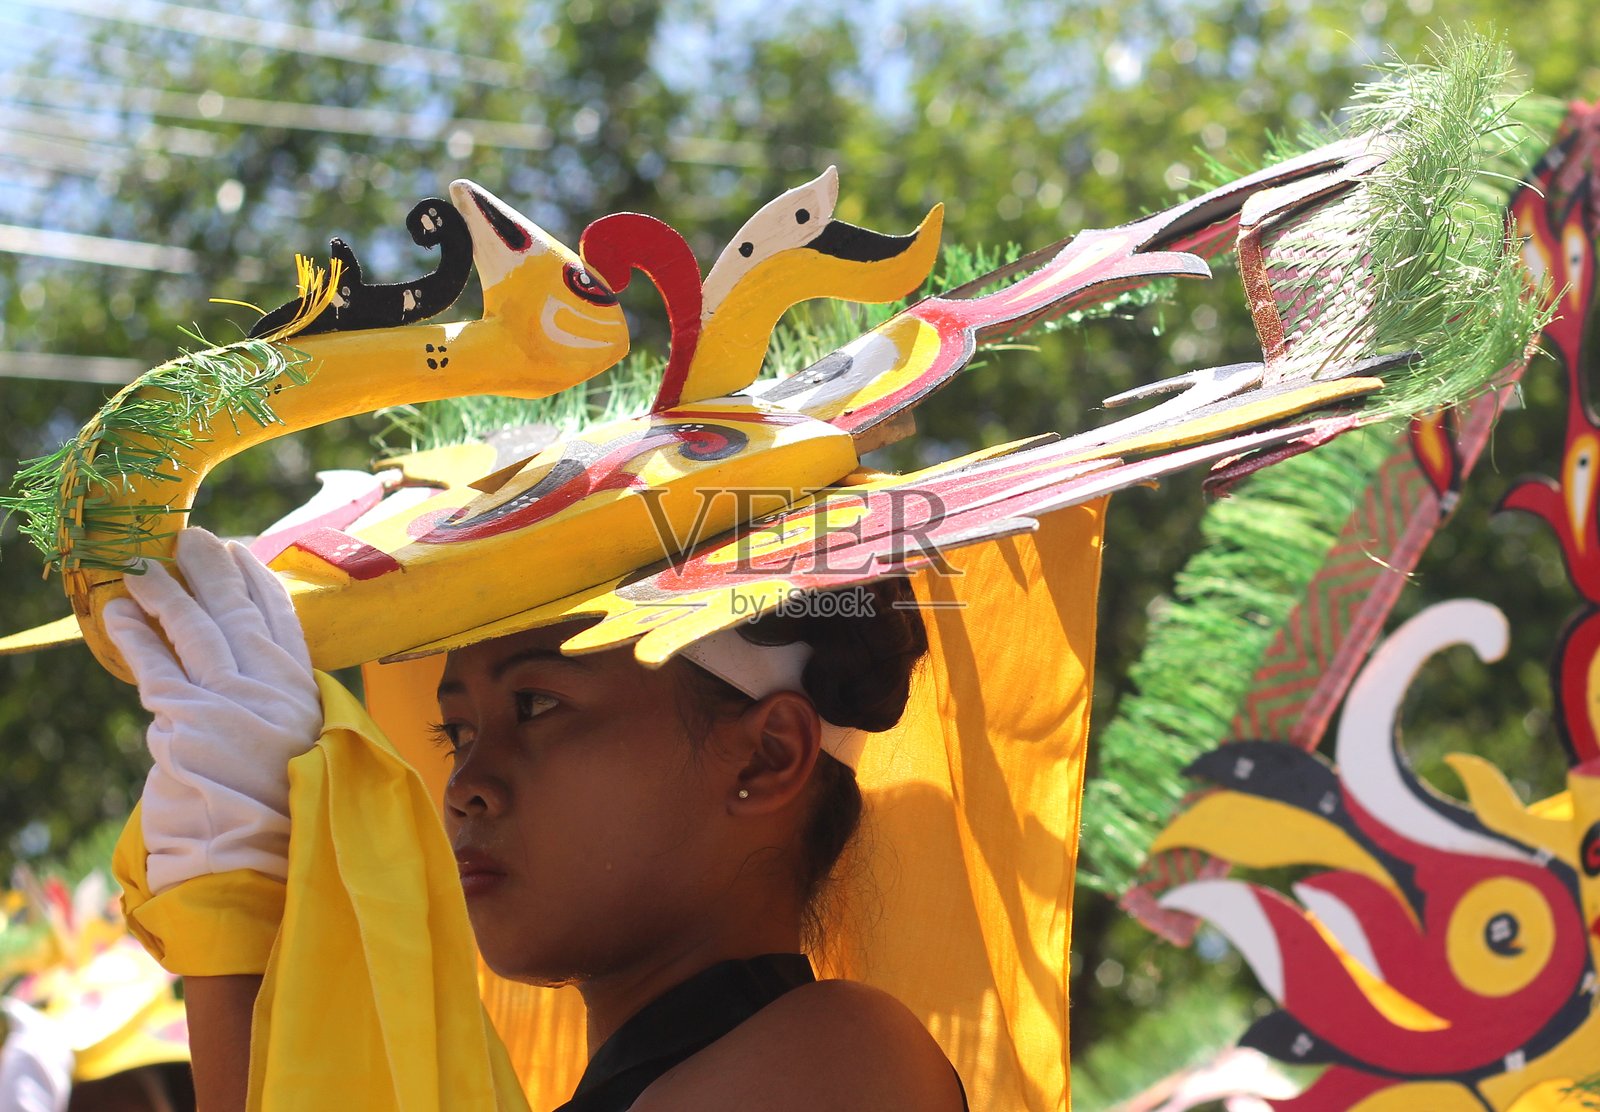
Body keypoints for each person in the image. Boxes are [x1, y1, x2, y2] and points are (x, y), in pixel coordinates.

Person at [103, 527, 968, 1111]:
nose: (466, 787)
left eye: (540, 706)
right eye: (458, 733)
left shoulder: (841, 1061)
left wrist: (241, 933)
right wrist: (245, 912)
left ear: (766, 756)